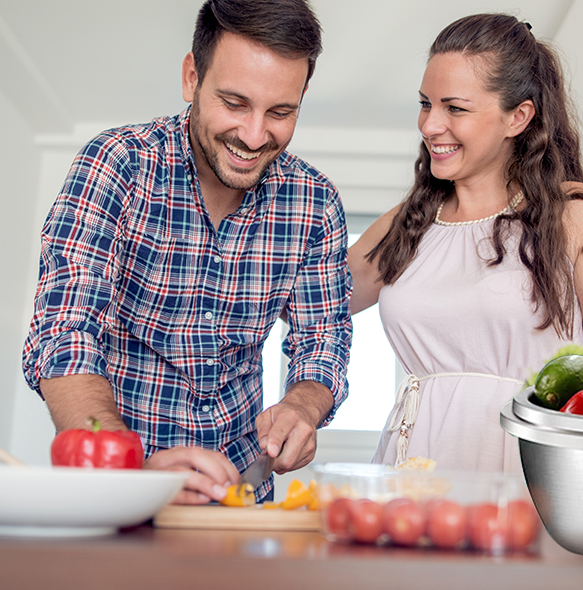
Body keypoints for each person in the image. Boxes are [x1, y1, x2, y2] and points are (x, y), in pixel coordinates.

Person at [22, 0, 352, 504]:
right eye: (235, 103)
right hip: (118, 493)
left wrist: (303, 407)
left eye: (281, 112)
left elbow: (323, 338)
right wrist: (128, 470)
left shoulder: (316, 203)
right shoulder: (118, 165)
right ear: (191, 78)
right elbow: (65, 332)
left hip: (242, 499)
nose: (254, 134)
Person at [349, 14, 583, 473]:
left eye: (455, 108)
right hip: (412, 474)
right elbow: (302, 298)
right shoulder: (406, 225)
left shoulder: (575, 215)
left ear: (518, 117)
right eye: (426, 104)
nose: (430, 125)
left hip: (532, 471)